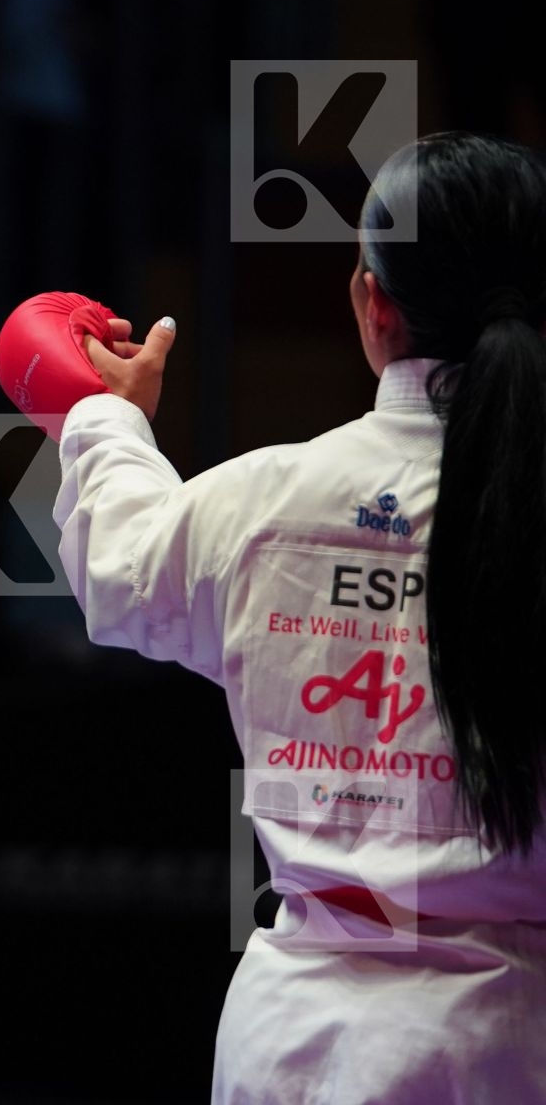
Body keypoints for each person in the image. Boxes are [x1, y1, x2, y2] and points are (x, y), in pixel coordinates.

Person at [50, 131, 546, 1103]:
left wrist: (107, 419)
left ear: (372, 303)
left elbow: (120, 570)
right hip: (508, 1046)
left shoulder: (268, 501)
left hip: (294, 1047)